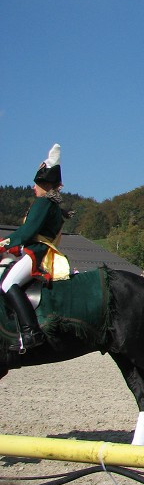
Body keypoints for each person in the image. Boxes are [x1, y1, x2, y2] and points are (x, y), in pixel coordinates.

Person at [0, 144, 71, 353]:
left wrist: (3, 244)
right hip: (36, 249)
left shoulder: (44, 203)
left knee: (7, 283)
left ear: (44, 184)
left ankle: (31, 332)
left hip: (37, 253)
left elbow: (27, 231)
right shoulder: (52, 204)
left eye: (36, 185)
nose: (33, 188)